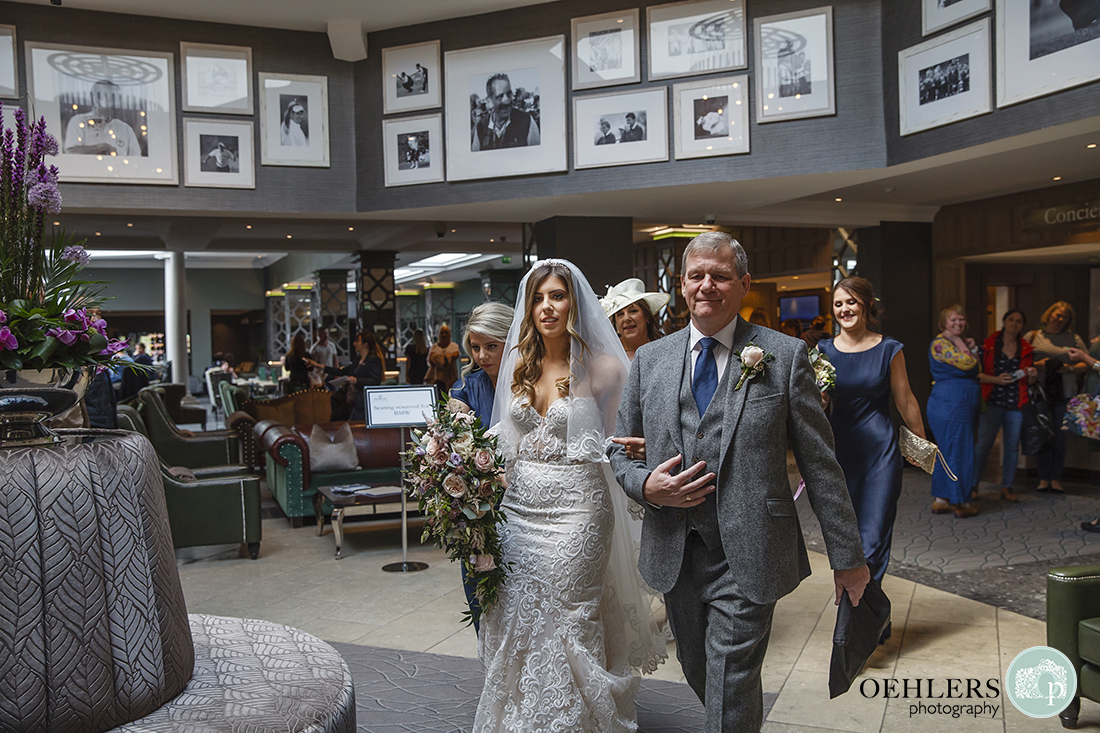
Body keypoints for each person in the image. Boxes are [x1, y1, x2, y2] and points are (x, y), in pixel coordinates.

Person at [608, 233, 868, 733]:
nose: (708, 285)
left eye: (721, 276)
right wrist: (645, 485)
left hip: (751, 549)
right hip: (676, 550)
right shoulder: (650, 361)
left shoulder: (785, 356)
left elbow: (821, 464)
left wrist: (848, 558)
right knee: (698, 668)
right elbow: (620, 449)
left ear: (743, 284)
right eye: (697, 276)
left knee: (731, 677)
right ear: (681, 285)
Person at [476, 260, 666, 731]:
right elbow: (505, 443)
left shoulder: (604, 367)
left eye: (557, 296)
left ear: (575, 303)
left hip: (578, 512)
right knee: (515, 612)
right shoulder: (520, 364)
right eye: (538, 298)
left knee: (568, 616)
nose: (547, 307)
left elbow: (627, 442)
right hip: (518, 513)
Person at [817, 277, 927, 585]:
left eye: (851, 302)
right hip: (839, 456)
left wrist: (921, 445)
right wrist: (820, 395)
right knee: (848, 538)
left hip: (881, 453)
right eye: (838, 304)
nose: (845, 309)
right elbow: (817, 402)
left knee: (874, 535)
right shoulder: (823, 350)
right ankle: (873, 617)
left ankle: (857, 619)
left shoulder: (889, 348)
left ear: (866, 304)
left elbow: (905, 399)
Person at [447, 302, 514, 634]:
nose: (482, 355)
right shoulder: (465, 389)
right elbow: (454, 453)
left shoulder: (533, 380)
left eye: (492, 346)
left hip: (528, 500)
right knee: (481, 591)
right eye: (475, 347)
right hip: (482, 507)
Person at [974, 310, 1037, 503]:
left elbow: (1030, 381)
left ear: (1022, 326)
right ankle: (972, 485)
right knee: (983, 445)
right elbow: (977, 375)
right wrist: (995, 379)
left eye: (1019, 321)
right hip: (992, 401)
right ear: (1004, 322)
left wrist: (1032, 376)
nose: (1014, 324)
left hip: (1015, 403)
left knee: (1011, 447)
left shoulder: (1025, 348)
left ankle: (1006, 487)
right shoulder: (989, 345)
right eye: (1011, 320)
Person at [1025, 301, 1087, 493]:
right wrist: (1040, 365)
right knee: (1041, 434)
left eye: (1065, 317)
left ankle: (1056, 479)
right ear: (1049, 314)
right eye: (1057, 314)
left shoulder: (1073, 338)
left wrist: (1066, 368)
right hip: (1039, 392)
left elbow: (1086, 362)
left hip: (1063, 392)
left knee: (1059, 437)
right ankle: (1043, 478)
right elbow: (1022, 360)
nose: (1060, 319)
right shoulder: (1033, 336)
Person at [927, 305, 982, 517]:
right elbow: (969, 363)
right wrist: (961, 342)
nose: (958, 323)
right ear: (944, 324)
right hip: (952, 403)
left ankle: (942, 499)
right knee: (960, 451)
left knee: (948, 451)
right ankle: (961, 502)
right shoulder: (941, 344)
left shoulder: (951, 344)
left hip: (955, 402)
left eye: (961, 319)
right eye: (953, 320)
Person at [306, 331, 383, 421]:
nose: (354, 344)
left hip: (363, 402)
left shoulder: (373, 360)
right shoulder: (358, 360)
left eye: (357, 341)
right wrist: (317, 365)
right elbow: (342, 371)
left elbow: (376, 381)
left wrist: (356, 380)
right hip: (352, 400)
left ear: (365, 344)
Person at [64, 79, 142, 157]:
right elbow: (70, 152)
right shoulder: (78, 121)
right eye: (112, 99)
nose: (117, 104)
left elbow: (137, 160)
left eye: (119, 98)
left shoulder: (126, 129)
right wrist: (100, 148)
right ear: (96, 99)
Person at [599, 278, 669, 361]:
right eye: (620, 314)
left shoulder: (665, 350)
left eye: (633, 311)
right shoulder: (607, 355)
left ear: (646, 316)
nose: (626, 319)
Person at [471, 73, 540, 151]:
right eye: (500, 97)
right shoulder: (481, 127)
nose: (506, 101)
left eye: (509, 94)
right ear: (489, 101)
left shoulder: (526, 121)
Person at [427, 325, 460, 393]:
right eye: (442, 333)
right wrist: (447, 357)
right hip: (436, 376)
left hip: (450, 376)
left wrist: (438, 357)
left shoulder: (454, 346)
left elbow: (455, 356)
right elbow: (430, 359)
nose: (444, 335)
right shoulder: (434, 347)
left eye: (446, 333)